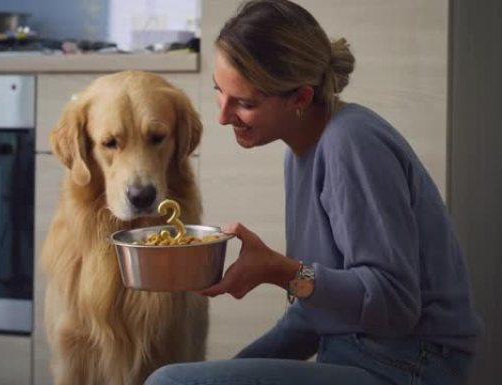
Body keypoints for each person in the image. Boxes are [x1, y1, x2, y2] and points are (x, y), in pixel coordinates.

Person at [144, 1, 483, 384]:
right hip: (353, 353)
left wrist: (280, 271)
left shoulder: (351, 142)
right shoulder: (302, 152)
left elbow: (394, 303)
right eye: (220, 92)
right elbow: (314, 311)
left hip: (410, 364)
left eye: (245, 102)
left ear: (301, 98)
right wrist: (220, 374)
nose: (222, 116)